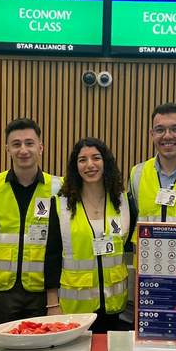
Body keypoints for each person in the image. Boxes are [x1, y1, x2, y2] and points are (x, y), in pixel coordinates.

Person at [45, 138, 136, 333]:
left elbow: (130, 246)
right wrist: (52, 304)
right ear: (75, 167)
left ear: (106, 162)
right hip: (75, 308)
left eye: (96, 158)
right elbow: (52, 257)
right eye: (82, 160)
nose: (90, 165)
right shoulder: (61, 205)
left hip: (115, 307)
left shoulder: (123, 202)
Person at [0, 118, 62, 326]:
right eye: (16, 144)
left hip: (41, 290)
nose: (23, 150)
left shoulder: (58, 188)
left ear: (40, 148)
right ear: (7, 149)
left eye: (29, 143)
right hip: (0, 291)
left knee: (40, 344)